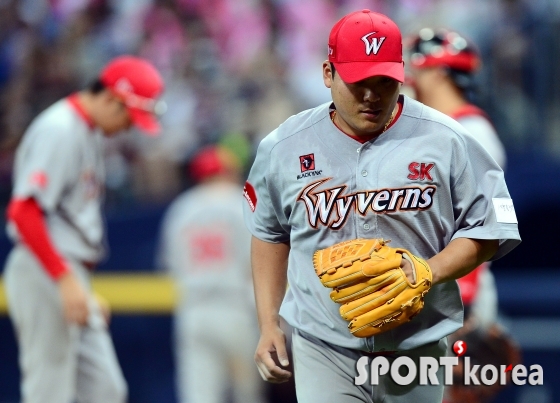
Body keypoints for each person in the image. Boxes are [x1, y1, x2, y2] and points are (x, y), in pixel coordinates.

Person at [242, 9, 521, 403]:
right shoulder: (284, 146)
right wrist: (269, 324)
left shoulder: (448, 138)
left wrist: (430, 269)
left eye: (384, 81)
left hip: (418, 345)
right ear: (328, 73)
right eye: (359, 82)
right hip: (325, 346)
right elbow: (268, 232)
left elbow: (488, 229)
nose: (372, 95)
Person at [3, 55, 164, 403]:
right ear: (110, 98)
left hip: (64, 270)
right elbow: (23, 211)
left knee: (105, 391)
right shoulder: (59, 129)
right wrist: (64, 277)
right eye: (129, 116)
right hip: (44, 267)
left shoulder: (84, 129)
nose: (129, 126)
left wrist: (74, 281)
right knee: (49, 390)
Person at [405, 28, 521, 402]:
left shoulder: (470, 132)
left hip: (458, 293)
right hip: (434, 290)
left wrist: (464, 303)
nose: (410, 78)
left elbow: (480, 226)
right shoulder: (438, 128)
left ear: (438, 72)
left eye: (417, 69)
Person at [157, 145, 266, 403]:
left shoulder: (180, 209)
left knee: (199, 396)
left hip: (194, 312)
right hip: (237, 310)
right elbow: (259, 262)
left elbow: (170, 267)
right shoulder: (243, 201)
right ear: (228, 171)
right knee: (247, 396)